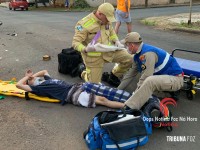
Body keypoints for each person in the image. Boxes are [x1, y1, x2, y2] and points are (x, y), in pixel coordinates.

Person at [119, 32, 184, 110]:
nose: (126, 48)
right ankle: (167, 94)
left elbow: (146, 76)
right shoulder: (137, 55)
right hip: (165, 78)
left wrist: (135, 95)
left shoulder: (147, 54)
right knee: (145, 90)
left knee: (148, 82)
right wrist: (118, 89)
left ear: (132, 46)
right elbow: (130, 74)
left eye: (126, 45)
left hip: (176, 79)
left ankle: (129, 108)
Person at [72, 3, 132, 84]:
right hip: (93, 57)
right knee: (94, 85)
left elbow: (111, 32)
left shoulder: (106, 20)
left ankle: (114, 75)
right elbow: (75, 43)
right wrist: (85, 49)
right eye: (107, 18)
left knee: (130, 59)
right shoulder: (84, 24)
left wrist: (116, 41)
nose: (108, 21)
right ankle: (83, 73)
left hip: (108, 51)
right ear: (100, 14)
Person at [16, 70, 125, 109]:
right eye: (30, 80)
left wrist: (32, 76)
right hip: (73, 95)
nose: (34, 78)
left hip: (78, 86)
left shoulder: (47, 80)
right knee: (102, 100)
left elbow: (44, 71)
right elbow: (18, 85)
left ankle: (127, 98)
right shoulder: (37, 88)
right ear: (29, 84)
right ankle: (130, 106)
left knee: (104, 90)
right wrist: (27, 77)